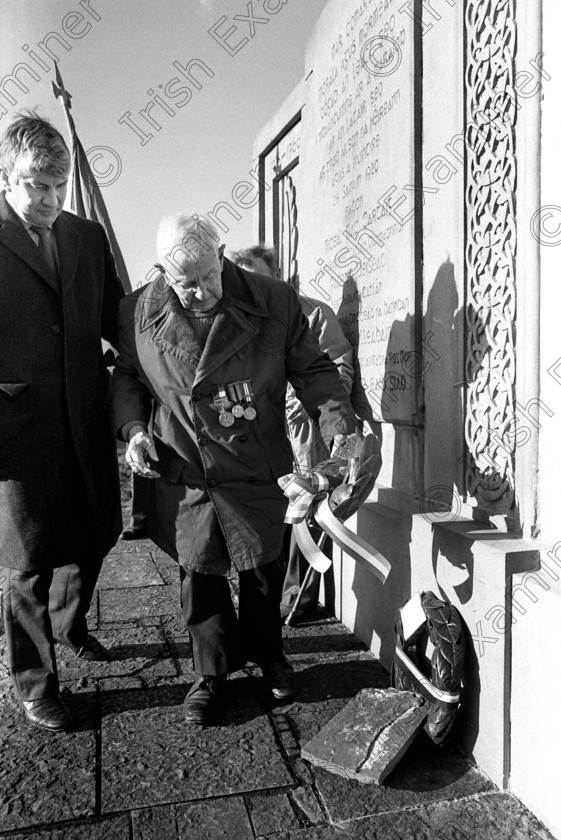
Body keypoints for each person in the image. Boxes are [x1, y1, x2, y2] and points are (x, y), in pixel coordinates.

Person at [113, 214, 356, 725]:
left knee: (263, 570)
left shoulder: (273, 300)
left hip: (254, 460)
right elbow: (129, 377)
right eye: (185, 283)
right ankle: (212, 672)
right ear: (162, 272)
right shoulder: (137, 310)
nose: (200, 292)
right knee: (198, 574)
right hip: (187, 466)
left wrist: (338, 426)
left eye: (208, 276)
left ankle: (270, 658)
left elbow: (313, 371)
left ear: (221, 253)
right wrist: (134, 430)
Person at [0, 111, 125, 731]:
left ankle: (70, 624)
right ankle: (34, 684)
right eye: (35, 186)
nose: (50, 201)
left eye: (59, 186)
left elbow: (117, 319)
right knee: (28, 558)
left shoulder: (86, 238)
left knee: (98, 531)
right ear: (7, 178)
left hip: (85, 415)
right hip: (16, 428)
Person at [230, 246, 354, 623]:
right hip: (258, 433)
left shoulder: (314, 312)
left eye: (257, 275)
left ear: (277, 273)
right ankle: (259, 592)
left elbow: (337, 369)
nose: (251, 285)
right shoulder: (238, 317)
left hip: (304, 433)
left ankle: (295, 599)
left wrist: (306, 402)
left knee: (303, 512)